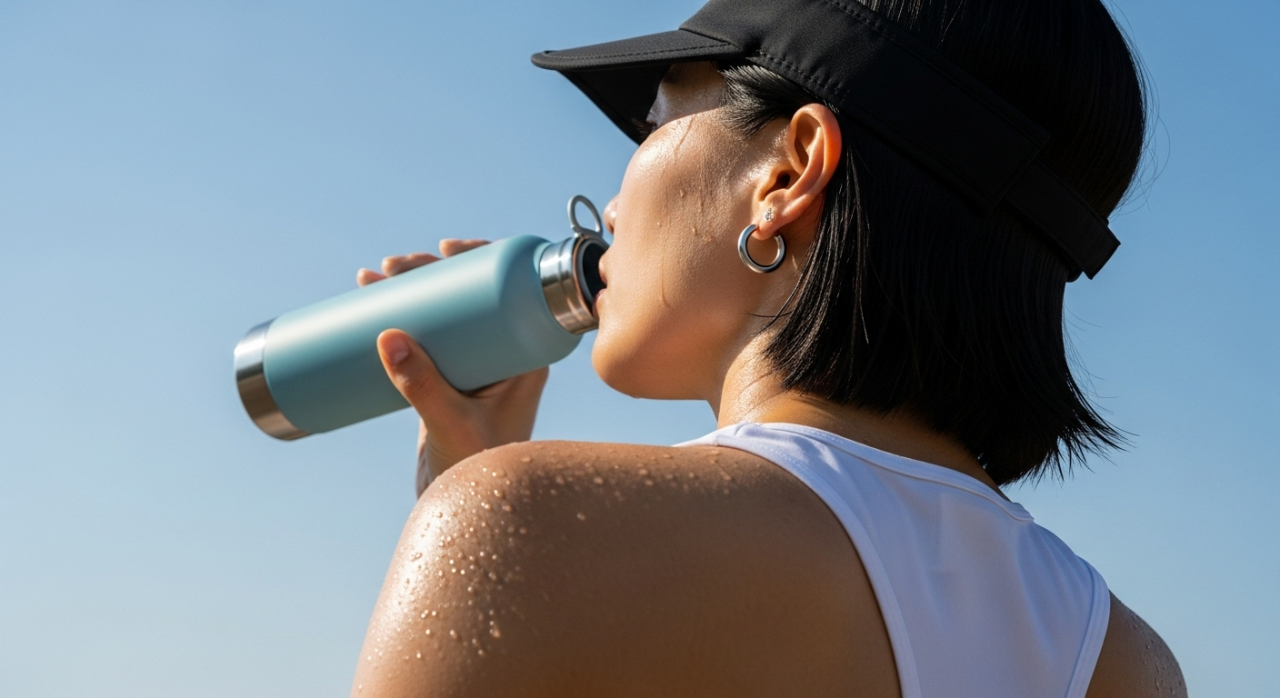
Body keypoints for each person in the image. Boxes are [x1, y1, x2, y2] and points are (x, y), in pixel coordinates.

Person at [350, 0, 1187, 695]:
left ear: (790, 175)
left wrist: (463, 515)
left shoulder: (528, 526)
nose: (611, 208)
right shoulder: (1125, 663)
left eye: (652, 123)